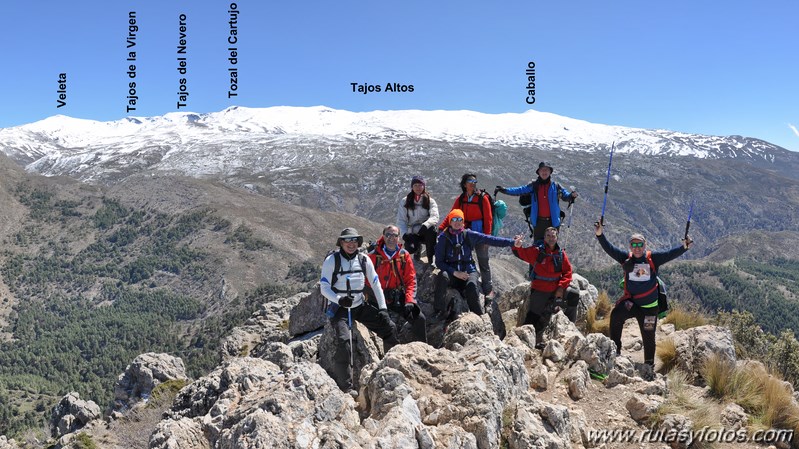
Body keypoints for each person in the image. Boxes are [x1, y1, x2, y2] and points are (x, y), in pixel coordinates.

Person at [594, 220, 692, 372]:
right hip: (632, 304)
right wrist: (600, 235)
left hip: (649, 308)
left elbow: (670, 254)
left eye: (640, 244)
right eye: (634, 245)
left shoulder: (653, 258)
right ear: (630, 247)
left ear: (645, 245)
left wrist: (684, 247)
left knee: (648, 335)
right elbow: (610, 249)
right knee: (616, 316)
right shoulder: (626, 258)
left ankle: (649, 364)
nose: (637, 248)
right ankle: (616, 351)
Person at [320, 227, 399, 392]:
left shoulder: (364, 260)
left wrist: (383, 309)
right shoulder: (332, 261)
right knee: (344, 342)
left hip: (359, 305)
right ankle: (346, 387)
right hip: (340, 308)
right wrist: (340, 299)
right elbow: (324, 287)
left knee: (389, 327)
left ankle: (393, 368)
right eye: (347, 240)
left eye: (354, 240)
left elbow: (376, 283)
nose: (351, 244)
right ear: (341, 242)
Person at [434, 209, 522, 321]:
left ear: (463, 221)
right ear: (450, 222)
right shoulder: (443, 238)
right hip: (453, 273)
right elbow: (439, 262)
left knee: (471, 286)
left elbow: (490, 239)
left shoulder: (468, 234)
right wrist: (455, 272)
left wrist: (512, 242)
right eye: (454, 219)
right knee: (443, 276)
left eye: (459, 219)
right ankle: (439, 311)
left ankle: (478, 317)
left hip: (469, 271)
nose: (457, 222)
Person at [511, 227, 580, 349]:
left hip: (556, 288)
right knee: (533, 316)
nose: (551, 238)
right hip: (540, 288)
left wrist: (561, 287)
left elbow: (568, 272)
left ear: (557, 237)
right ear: (544, 238)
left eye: (553, 236)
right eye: (548, 236)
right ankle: (529, 340)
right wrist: (516, 245)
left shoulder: (560, 254)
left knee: (573, 294)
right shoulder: (537, 252)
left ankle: (570, 328)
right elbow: (521, 253)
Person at [366, 225, 427, 343]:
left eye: (395, 235)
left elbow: (411, 280)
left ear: (399, 238)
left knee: (419, 318)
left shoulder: (404, 256)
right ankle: (390, 358)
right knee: (388, 326)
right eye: (388, 235)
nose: (391, 238)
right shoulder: (373, 256)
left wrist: (409, 300)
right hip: (377, 298)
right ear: (383, 236)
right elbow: (365, 281)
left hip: (396, 297)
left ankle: (424, 350)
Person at [439, 173, 495, 297]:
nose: (473, 183)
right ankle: (463, 284)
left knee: (483, 260)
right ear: (464, 184)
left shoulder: (482, 198)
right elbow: (452, 215)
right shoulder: (461, 198)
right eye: (470, 181)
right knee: (461, 258)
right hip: (463, 234)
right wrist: (441, 228)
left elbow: (488, 219)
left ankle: (488, 289)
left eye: (475, 181)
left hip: (478, 234)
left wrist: (487, 238)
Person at [495, 161, 578, 242]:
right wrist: (505, 190)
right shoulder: (534, 185)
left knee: (552, 247)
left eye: (546, 170)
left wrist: (571, 196)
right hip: (539, 222)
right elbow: (519, 190)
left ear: (550, 172)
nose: (544, 172)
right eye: (542, 170)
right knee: (538, 248)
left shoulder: (556, 186)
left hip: (553, 222)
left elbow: (566, 196)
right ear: (538, 172)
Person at [397, 176, 439, 264]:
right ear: (412, 187)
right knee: (410, 248)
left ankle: (430, 258)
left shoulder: (430, 201)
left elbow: (435, 216)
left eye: (420, 185)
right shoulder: (405, 201)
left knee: (432, 232)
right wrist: (404, 234)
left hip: (426, 230)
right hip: (412, 231)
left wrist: (426, 225)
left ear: (424, 186)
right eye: (415, 185)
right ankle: (417, 250)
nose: (418, 188)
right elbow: (401, 220)